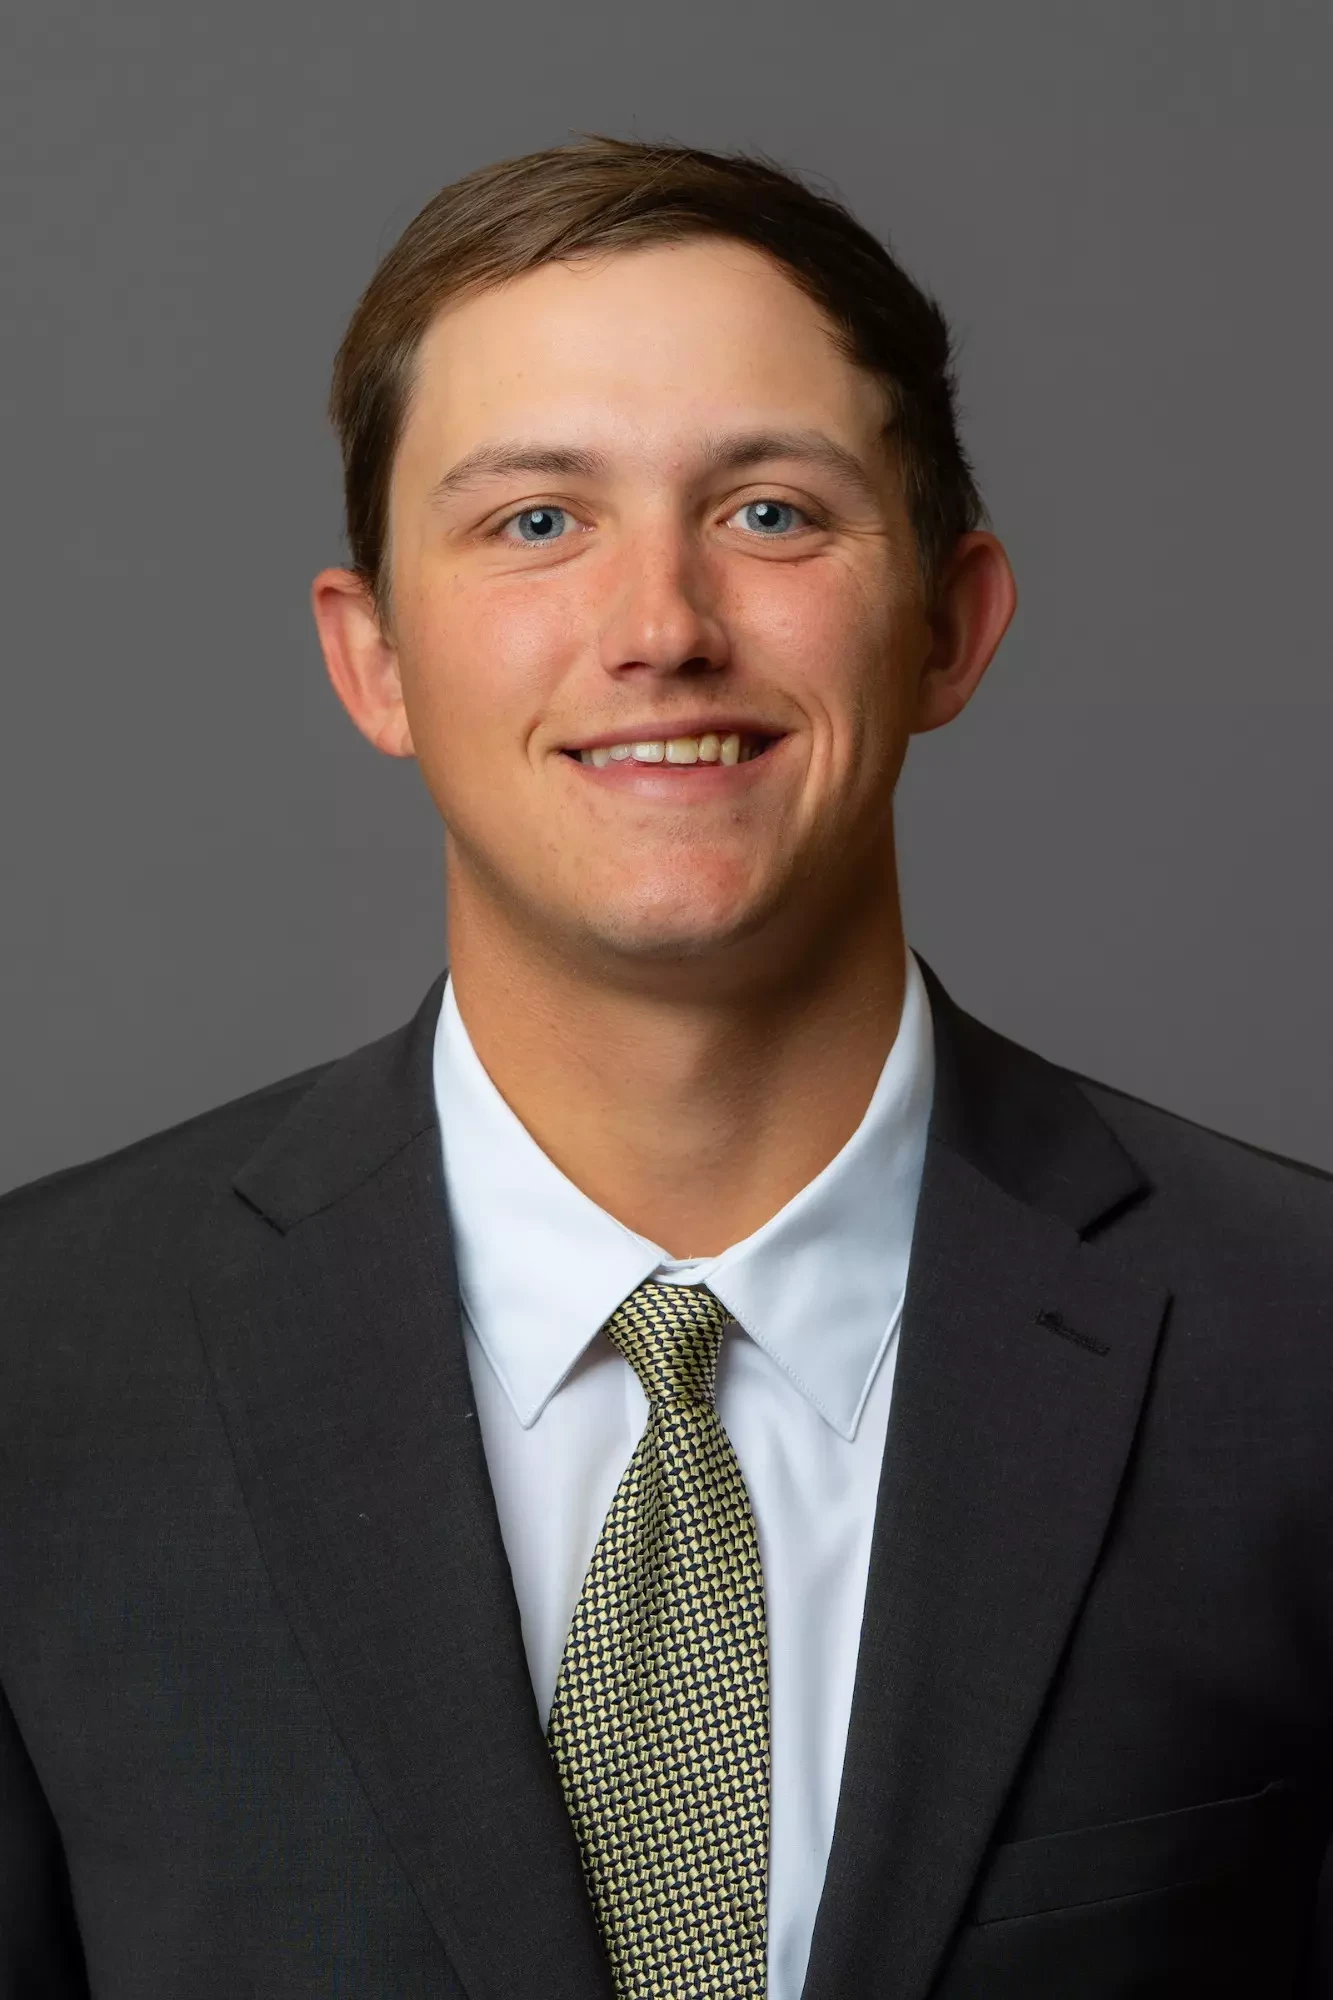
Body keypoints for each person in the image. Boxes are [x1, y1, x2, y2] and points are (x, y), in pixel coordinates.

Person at [0, 134, 1328, 2000]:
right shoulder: (40, 1376)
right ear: (375, 663)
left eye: (771, 513)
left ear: (949, 626)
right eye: (538, 522)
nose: (661, 630)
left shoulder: (1296, 1351)